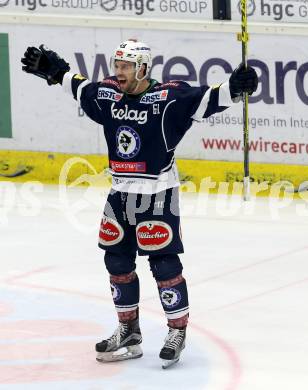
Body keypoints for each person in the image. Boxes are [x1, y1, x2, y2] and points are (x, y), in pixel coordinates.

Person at [21, 39, 258, 368]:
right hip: (120, 194)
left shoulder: (169, 98)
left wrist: (235, 87)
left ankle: (177, 331)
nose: (119, 72)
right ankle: (129, 330)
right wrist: (56, 72)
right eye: (117, 65)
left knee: (164, 265)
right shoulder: (110, 95)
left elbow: (208, 98)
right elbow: (83, 89)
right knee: (116, 261)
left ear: (143, 68)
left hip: (158, 195)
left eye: (126, 66)